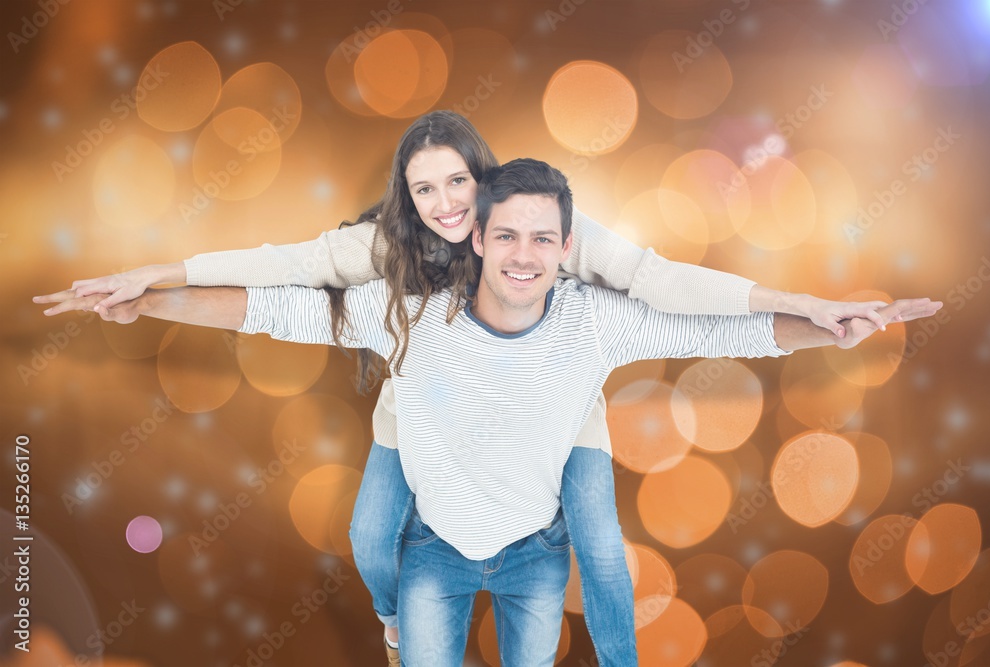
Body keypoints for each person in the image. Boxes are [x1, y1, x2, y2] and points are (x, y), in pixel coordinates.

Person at [36, 111, 894, 666]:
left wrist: (821, 315)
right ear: (472, 234)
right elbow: (274, 293)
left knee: (598, 545)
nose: (517, 246)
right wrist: (151, 288)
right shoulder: (395, 281)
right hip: (434, 497)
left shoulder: (587, 296)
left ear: (553, 238)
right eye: (431, 191)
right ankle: (397, 619)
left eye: (539, 238)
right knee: (374, 529)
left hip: (549, 467)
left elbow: (702, 313)